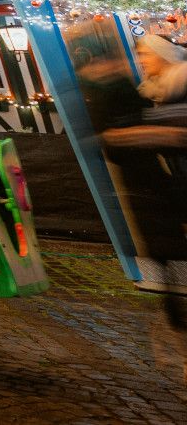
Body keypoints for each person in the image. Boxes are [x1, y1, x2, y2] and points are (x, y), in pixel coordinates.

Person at [98, 33, 187, 340]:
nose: (142, 61)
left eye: (146, 55)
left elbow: (176, 131)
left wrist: (137, 135)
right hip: (176, 177)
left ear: (163, 55)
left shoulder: (181, 83)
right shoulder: (152, 90)